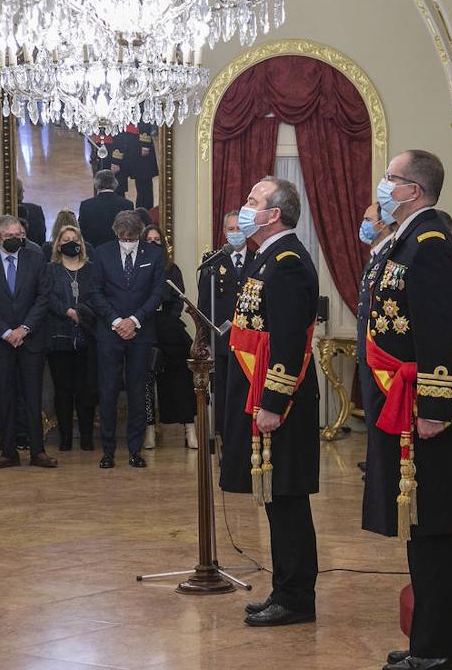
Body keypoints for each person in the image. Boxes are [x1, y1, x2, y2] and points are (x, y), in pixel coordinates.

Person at [359, 152, 452, 670]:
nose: (382, 185)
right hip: (405, 403)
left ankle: (436, 651)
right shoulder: (404, 240)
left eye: (390, 177)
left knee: (435, 527)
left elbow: (439, 334)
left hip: (428, 409)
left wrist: (434, 408)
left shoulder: (430, 244)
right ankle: (430, 642)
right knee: (421, 527)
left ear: (412, 189)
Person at [219, 177, 321, 628]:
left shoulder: (288, 262)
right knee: (276, 500)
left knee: (287, 497)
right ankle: (284, 590)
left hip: (285, 401)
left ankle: (296, 597)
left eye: (252, 201)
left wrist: (273, 402)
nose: (244, 208)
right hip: (263, 394)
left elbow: (287, 343)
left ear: (273, 214)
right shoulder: (265, 258)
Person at [0, 216, 57, 470]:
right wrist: (6, 332)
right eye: (10, 236)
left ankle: (37, 451)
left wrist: (23, 329)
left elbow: (44, 297)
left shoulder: (36, 259)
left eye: (19, 235)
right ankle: (8, 451)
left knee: (33, 395)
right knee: (5, 395)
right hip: (0, 342)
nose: (16, 240)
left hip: (31, 340)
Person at [87, 210, 165, 468]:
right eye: (123, 236)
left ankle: (135, 450)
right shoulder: (101, 253)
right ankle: (107, 451)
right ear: (116, 233)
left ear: (140, 234)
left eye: (132, 237)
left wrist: (135, 321)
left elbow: (156, 293)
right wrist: (117, 322)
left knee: (137, 391)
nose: (128, 240)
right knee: (107, 391)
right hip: (109, 333)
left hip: (141, 333)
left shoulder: (153, 254)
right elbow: (95, 292)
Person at [45, 225, 98, 451]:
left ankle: (87, 437)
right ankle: (65, 438)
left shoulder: (92, 269)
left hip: (87, 337)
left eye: (74, 239)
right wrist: (68, 311)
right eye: (65, 239)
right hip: (59, 336)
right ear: (58, 244)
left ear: (81, 243)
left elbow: (98, 295)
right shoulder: (50, 270)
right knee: (63, 390)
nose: (70, 243)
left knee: (86, 390)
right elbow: (47, 296)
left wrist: (83, 314)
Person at [144, 223, 197, 449]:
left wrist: (166, 318)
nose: (154, 243)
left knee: (182, 377)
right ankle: (149, 430)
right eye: (150, 240)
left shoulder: (172, 268)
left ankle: (189, 428)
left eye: (158, 240)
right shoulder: (137, 268)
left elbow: (178, 300)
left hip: (169, 328)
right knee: (146, 379)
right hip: (145, 327)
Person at [197, 210, 246, 441]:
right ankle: (226, 437)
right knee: (225, 393)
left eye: (239, 228)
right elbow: (203, 306)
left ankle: (246, 436)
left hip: (249, 343)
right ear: (224, 232)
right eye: (231, 229)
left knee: (246, 393)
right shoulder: (213, 261)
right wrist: (205, 340)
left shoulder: (259, 259)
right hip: (222, 341)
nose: (235, 233)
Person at [356, 201, 396, 473]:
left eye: (368, 219)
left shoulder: (390, 256)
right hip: (370, 353)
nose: (363, 223)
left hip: (383, 357)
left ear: (382, 223)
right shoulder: (376, 255)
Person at [79, 170, 134, 248]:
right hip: (119, 250)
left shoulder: (86, 205)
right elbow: (131, 231)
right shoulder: (127, 204)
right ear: (115, 183)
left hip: (95, 250)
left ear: (96, 184)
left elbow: (82, 231)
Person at [110, 123, 160, 209]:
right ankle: (121, 212)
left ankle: (144, 212)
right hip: (122, 143)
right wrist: (116, 159)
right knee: (119, 185)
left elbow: (145, 120)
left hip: (139, 145)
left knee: (144, 185)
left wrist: (145, 144)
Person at [16, 179, 48, 247]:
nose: (24, 191)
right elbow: (42, 239)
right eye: (22, 189)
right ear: (20, 192)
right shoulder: (36, 210)